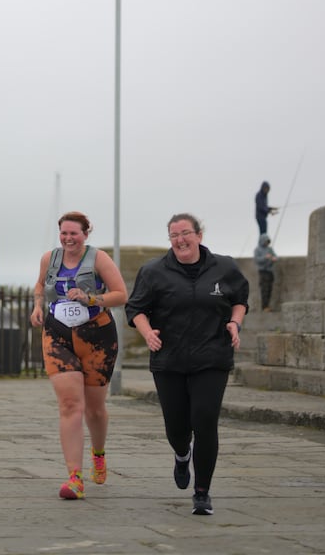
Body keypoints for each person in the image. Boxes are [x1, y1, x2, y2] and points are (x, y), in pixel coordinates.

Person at [125, 213, 248, 517]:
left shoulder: (225, 267)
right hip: (169, 360)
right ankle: (182, 454)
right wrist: (147, 332)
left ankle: (202, 492)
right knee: (177, 427)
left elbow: (240, 299)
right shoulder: (153, 271)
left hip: (212, 357)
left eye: (185, 233)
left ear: (199, 235)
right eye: (174, 235)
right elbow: (136, 308)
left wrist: (234, 323)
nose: (180, 239)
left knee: (205, 421)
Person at [30, 211, 128, 501]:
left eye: (74, 233)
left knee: (94, 409)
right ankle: (74, 477)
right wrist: (38, 306)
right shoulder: (50, 258)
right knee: (70, 403)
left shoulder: (98, 259)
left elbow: (121, 295)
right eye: (64, 233)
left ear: (86, 234)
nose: (68, 238)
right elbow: (39, 285)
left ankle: (98, 453)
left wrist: (91, 299)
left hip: (97, 337)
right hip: (58, 333)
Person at [254, 234, 277, 310]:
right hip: (263, 272)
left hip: (270, 271)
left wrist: (274, 258)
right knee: (264, 289)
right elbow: (257, 260)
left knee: (270, 288)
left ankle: (267, 305)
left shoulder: (270, 249)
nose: (267, 243)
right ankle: (264, 306)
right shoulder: (257, 250)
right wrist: (265, 257)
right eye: (266, 241)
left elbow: (276, 257)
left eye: (268, 242)